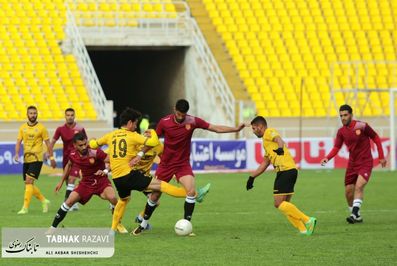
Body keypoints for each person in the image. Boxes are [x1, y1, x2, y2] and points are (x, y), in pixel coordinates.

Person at [132, 99, 245, 235]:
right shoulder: (164, 122)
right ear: (175, 109)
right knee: (155, 196)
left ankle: (187, 225)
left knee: (190, 192)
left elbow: (215, 128)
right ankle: (143, 224)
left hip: (182, 165)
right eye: (179, 114)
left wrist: (236, 129)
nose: (181, 117)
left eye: (183, 115)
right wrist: (140, 154)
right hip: (166, 165)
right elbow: (153, 141)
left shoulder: (192, 121)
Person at [89, 107, 200, 235]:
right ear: (130, 123)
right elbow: (153, 141)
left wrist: (91, 141)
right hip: (130, 175)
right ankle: (194, 194)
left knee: (124, 200)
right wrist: (153, 131)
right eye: (135, 123)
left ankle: (112, 230)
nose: (136, 126)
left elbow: (93, 144)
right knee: (161, 186)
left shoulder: (111, 135)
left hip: (117, 178)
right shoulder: (133, 136)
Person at [247, 116, 317, 235]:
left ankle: (307, 220)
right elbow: (265, 162)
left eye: (254, 128)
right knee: (285, 204)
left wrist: (280, 149)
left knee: (278, 203)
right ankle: (303, 230)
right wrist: (252, 177)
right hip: (289, 171)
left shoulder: (269, 132)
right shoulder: (266, 142)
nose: (253, 131)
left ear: (260, 127)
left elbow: (279, 139)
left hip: (285, 171)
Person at [48, 133, 127, 233]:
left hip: (101, 181)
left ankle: (118, 223)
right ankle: (52, 228)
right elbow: (69, 165)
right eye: (81, 145)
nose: (84, 147)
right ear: (75, 146)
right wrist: (61, 181)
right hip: (85, 183)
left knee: (113, 198)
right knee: (68, 202)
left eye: (85, 143)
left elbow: (113, 161)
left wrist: (106, 171)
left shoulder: (95, 152)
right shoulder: (73, 155)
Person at [321, 104, 386, 224]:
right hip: (352, 164)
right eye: (341, 116)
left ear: (351, 114)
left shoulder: (362, 126)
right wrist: (327, 158)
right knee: (348, 191)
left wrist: (381, 156)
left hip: (365, 162)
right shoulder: (341, 132)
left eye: (345, 115)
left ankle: (354, 213)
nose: (343, 118)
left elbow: (376, 137)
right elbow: (336, 147)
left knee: (359, 186)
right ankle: (357, 215)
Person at [14, 106, 53, 214]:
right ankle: (44, 201)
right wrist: (16, 154)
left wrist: (51, 156)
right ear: (27, 114)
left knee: (29, 181)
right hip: (27, 159)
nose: (33, 115)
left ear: (37, 114)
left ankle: (25, 208)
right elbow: (18, 141)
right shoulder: (22, 128)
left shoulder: (42, 128)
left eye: (35, 113)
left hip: (37, 159)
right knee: (28, 184)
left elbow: (48, 144)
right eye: (31, 113)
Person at [49, 108, 87, 211]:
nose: (70, 117)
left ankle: (67, 203)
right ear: (65, 116)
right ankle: (73, 202)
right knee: (67, 181)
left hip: (77, 158)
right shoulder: (60, 129)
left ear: (74, 116)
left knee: (72, 179)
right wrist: (51, 157)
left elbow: (85, 143)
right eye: (68, 115)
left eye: (71, 115)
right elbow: (51, 143)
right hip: (66, 158)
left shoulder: (80, 128)